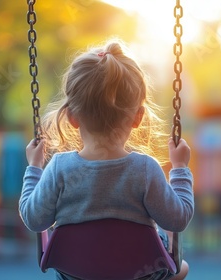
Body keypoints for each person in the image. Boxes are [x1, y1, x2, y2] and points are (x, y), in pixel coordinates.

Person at [19, 39, 194, 280]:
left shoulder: (59, 168)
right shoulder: (145, 169)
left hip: (76, 275)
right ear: (138, 117)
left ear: (72, 117)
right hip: (139, 275)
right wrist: (180, 168)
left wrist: (34, 168)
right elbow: (178, 218)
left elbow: (33, 219)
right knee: (181, 267)